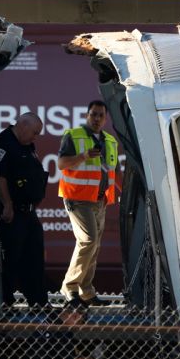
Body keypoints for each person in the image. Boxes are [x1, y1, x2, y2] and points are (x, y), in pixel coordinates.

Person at [58, 100, 119, 307]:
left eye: (101, 115)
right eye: (93, 114)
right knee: (88, 240)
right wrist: (83, 156)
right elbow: (61, 163)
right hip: (77, 198)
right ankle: (70, 286)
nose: (97, 119)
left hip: (99, 200)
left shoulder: (110, 140)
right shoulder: (73, 135)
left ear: (105, 118)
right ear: (87, 115)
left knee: (94, 245)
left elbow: (113, 171)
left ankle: (85, 291)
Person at [0, 112, 50, 308]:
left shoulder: (28, 145)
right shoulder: (4, 143)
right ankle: (6, 303)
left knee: (34, 256)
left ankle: (38, 302)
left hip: (28, 212)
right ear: (23, 126)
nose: (35, 137)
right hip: (13, 213)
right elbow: (0, 177)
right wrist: (7, 204)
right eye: (34, 133)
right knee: (11, 259)